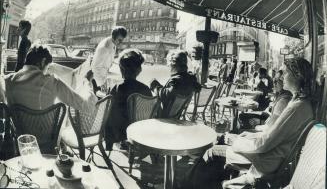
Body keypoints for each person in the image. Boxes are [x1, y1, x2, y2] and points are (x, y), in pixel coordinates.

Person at [183, 57, 314, 189]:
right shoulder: (301, 105)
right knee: (221, 147)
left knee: (211, 152)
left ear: (297, 75)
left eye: (285, 73)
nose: (281, 77)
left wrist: (236, 141)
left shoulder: (295, 107)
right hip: (271, 158)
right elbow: (272, 137)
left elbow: (264, 144)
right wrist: (243, 138)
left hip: (265, 160)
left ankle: (187, 185)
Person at [5, 45, 97, 113]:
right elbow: (87, 107)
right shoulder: (52, 82)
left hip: (18, 136)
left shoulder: (7, 80)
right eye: (48, 67)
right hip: (47, 136)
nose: (47, 71)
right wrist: (87, 82)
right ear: (43, 61)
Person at [105, 49, 152, 150]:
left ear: (122, 69)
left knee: (107, 113)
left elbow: (109, 111)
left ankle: (108, 147)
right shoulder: (145, 89)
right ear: (139, 70)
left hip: (121, 132)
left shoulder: (118, 87)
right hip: (140, 130)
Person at [150, 50, 201, 118]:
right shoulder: (190, 79)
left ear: (173, 64)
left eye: (169, 63)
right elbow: (170, 92)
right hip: (177, 114)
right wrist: (160, 86)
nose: (168, 66)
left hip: (164, 116)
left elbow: (165, 96)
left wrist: (154, 85)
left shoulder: (176, 80)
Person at [91, 26, 127, 90]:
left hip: (103, 77)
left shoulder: (113, 43)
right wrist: (101, 84)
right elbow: (95, 68)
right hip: (96, 81)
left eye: (122, 40)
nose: (121, 43)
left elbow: (108, 61)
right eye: (119, 40)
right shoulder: (104, 48)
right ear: (113, 36)